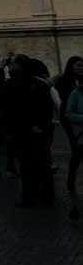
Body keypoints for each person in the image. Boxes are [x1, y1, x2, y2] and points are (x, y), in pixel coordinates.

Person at [3, 55, 54, 207]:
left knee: (26, 163)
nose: (9, 66)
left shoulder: (10, 85)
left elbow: (12, 111)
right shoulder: (41, 84)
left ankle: (28, 196)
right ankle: (48, 195)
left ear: (18, 66)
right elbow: (48, 109)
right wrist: (41, 127)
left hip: (21, 130)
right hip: (39, 130)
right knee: (42, 162)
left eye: (11, 63)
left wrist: (29, 126)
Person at [56, 56, 83, 193]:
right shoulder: (64, 82)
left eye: (82, 66)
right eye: (78, 65)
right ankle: (71, 179)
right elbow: (67, 104)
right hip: (71, 120)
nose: (81, 68)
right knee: (77, 151)